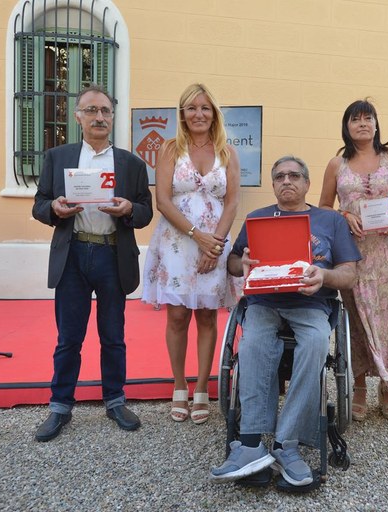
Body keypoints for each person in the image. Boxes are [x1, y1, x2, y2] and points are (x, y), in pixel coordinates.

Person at [210, 155, 360, 487]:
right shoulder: (256, 219)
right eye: (279, 176)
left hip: (311, 303)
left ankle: (285, 443)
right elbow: (233, 263)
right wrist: (243, 263)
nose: (286, 181)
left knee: (317, 344)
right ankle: (250, 442)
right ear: (273, 184)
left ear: (307, 183)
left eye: (294, 175)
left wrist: (323, 275)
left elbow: (349, 275)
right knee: (251, 345)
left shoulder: (330, 220)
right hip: (264, 301)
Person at [32, 84, 153, 441]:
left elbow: (145, 210)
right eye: (91, 111)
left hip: (112, 254)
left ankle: (115, 400)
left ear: (113, 117)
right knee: (69, 337)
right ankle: (60, 406)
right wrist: (52, 208)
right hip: (72, 255)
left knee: (113, 336)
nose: (99, 117)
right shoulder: (58, 157)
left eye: (105, 111)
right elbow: (39, 203)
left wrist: (130, 208)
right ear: (78, 116)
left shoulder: (130, 163)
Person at [318, 99, 388, 422]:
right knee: (356, 318)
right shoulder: (336, 165)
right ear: (346, 126)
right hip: (353, 253)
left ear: (377, 124)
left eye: (368, 118)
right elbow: (323, 206)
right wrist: (342, 216)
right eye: (355, 119)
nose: (362, 124)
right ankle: (359, 385)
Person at [141, 84, 240, 424]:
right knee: (178, 315)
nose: (198, 114)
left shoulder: (227, 151)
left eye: (205, 108)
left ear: (214, 113)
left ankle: (202, 388)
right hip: (178, 244)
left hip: (214, 244)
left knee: (208, 317)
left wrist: (216, 243)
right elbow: (163, 200)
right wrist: (198, 236)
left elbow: (232, 202)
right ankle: (179, 384)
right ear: (181, 113)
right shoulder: (171, 149)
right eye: (191, 108)